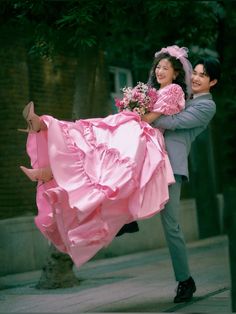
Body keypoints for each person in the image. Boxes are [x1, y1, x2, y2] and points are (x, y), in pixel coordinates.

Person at [18, 45, 192, 271]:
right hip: (138, 129)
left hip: (148, 137)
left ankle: (48, 152)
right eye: (158, 67)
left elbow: (151, 118)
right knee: (94, 140)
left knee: (102, 144)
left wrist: (134, 113)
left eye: (165, 68)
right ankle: (44, 128)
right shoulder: (154, 90)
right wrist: (133, 109)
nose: (159, 71)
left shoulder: (173, 91)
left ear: (175, 73)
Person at [151, 54, 221, 303]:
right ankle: (126, 220)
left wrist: (143, 112)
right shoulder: (179, 93)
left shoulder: (206, 106)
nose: (197, 77)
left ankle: (185, 280)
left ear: (212, 82)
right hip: (151, 157)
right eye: (196, 72)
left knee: (171, 225)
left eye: (203, 75)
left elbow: (174, 122)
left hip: (171, 165)